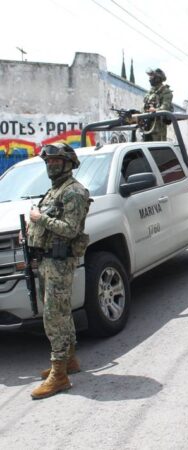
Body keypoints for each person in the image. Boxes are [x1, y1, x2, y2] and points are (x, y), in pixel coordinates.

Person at [27, 142, 90, 400]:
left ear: (68, 164)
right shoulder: (55, 191)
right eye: (48, 162)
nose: (51, 165)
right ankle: (70, 361)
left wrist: (39, 219)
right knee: (61, 313)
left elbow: (70, 229)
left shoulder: (73, 192)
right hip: (47, 261)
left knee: (54, 316)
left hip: (59, 262)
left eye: (56, 161)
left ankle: (59, 374)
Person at [142, 68, 173, 141]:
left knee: (157, 148)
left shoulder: (166, 92)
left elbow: (165, 107)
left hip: (158, 127)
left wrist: (155, 110)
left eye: (152, 77)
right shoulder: (151, 92)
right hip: (148, 125)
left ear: (158, 78)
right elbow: (145, 104)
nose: (150, 79)